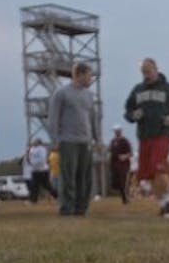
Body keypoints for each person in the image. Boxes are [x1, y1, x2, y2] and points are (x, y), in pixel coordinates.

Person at [124, 58, 169, 219]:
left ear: (156, 69)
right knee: (148, 174)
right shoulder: (137, 90)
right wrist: (133, 115)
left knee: (158, 168)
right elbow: (128, 110)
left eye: (149, 70)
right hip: (144, 136)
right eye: (143, 72)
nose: (147, 74)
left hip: (162, 134)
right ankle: (163, 203)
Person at [49, 62, 98, 216]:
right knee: (68, 176)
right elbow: (54, 118)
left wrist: (96, 138)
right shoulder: (61, 93)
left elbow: (92, 117)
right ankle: (67, 208)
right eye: (89, 75)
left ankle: (81, 208)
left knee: (84, 177)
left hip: (86, 141)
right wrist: (55, 140)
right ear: (79, 74)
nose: (91, 78)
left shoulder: (89, 95)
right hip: (68, 141)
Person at [27, 138, 57, 203]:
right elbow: (30, 158)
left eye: (35, 142)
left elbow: (42, 159)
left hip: (42, 170)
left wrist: (35, 164)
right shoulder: (32, 149)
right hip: (35, 170)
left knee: (46, 185)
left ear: (38, 142)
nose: (33, 143)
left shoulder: (42, 149)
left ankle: (57, 196)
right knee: (34, 185)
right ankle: (33, 200)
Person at [108, 126, 133, 204]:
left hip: (123, 165)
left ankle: (126, 198)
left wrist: (124, 156)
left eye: (118, 131)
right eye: (115, 131)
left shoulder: (125, 141)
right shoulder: (113, 141)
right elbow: (110, 151)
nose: (117, 133)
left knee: (123, 182)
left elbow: (130, 153)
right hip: (114, 165)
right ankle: (123, 196)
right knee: (117, 182)